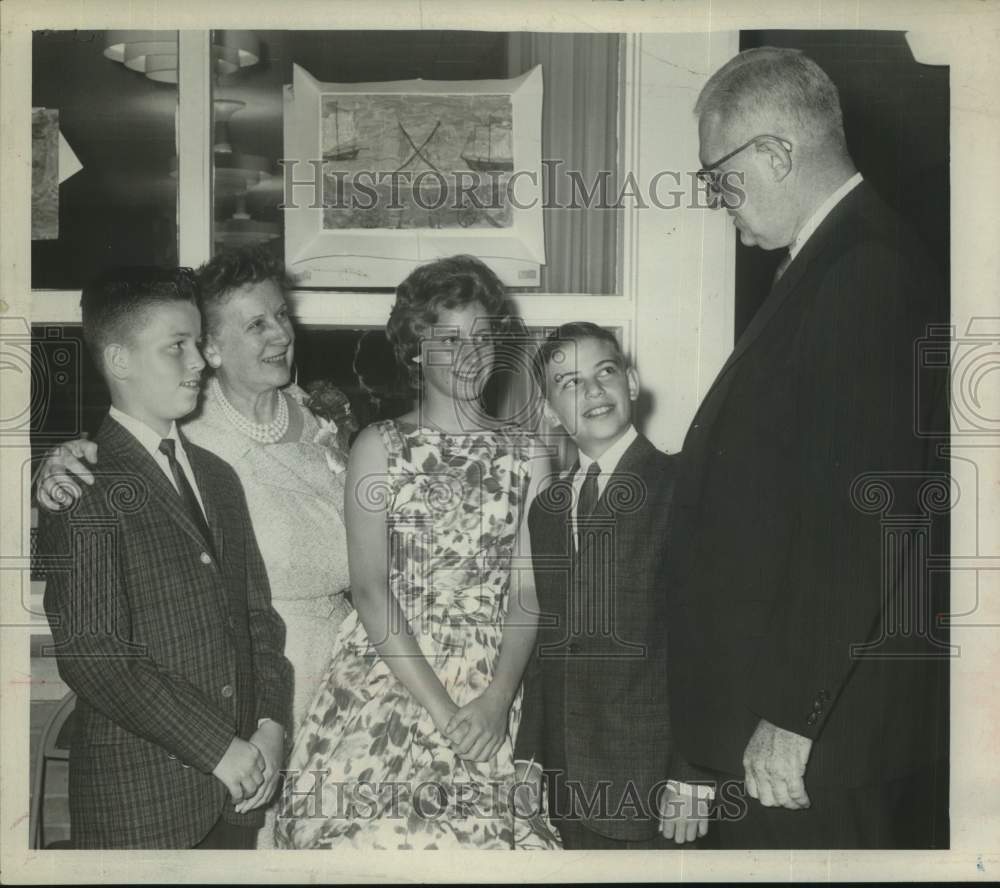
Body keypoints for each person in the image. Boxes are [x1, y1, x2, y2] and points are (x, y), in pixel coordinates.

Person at [666, 47, 949, 848]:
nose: (719, 200)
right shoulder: (827, 266)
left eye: (720, 178)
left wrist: (794, 716)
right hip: (778, 735)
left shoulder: (867, 272)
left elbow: (862, 520)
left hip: (811, 749)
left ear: (778, 153)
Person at [35, 246, 354, 847]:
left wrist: (269, 725)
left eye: (194, 344)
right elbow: (96, 656)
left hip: (239, 793)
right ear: (119, 360)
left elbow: (258, 621)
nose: (195, 362)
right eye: (177, 347)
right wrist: (219, 750)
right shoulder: (85, 484)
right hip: (145, 801)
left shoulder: (216, 477)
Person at [274, 255, 560, 850]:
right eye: (448, 338)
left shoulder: (529, 454)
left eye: (482, 336)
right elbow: (371, 590)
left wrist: (498, 699)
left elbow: (529, 590)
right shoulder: (379, 446)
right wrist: (440, 709)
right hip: (388, 675)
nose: (470, 353)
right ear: (414, 350)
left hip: (491, 679)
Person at [512, 323, 711, 850]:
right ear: (552, 411)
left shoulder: (682, 487)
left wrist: (693, 776)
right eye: (569, 383)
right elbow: (548, 643)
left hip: (655, 782)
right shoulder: (546, 511)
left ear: (632, 382)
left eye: (604, 372)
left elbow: (709, 641)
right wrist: (530, 756)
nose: (593, 391)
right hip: (567, 776)